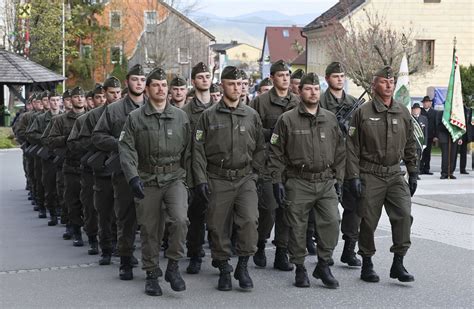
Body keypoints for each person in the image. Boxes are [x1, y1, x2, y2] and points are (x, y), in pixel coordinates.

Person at [119, 67, 192, 297]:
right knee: (150, 229)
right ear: (148, 90)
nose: (161, 89)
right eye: (156, 85)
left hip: (174, 178)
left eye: (164, 85)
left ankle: (172, 266)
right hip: (147, 179)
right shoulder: (135, 118)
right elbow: (126, 148)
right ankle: (151, 274)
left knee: (180, 220)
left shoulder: (181, 117)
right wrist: (132, 177)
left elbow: (190, 151)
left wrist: (191, 180)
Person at [269, 72, 345, 288]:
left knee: (331, 222)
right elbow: (275, 153)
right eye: (308, 89)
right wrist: (277, 181)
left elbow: (340, 151)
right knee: (297, 227)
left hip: (325, 181)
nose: (313, 92)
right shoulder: (287, 119)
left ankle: (323, 264)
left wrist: (339, 178)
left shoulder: (330, 119)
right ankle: (300, 268)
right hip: (298, 181)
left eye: (316, 89)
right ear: (300, 91)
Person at [193, 66, 265, 291]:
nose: (237, 88)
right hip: (218, 177)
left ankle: (242, 266)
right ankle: (224, 267)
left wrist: (256, 174)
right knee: (216, 225)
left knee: (250, 221)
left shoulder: (251, 115)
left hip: (245, 178)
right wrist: (201, 180)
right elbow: (197, 149)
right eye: (232, 83)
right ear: (222, 85)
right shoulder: (208, 115)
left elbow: (261, 148)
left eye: (240, 83)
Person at [346, 66, 417, 283]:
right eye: (384, 82)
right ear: (374, 84)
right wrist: (353, 176)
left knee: (404, 215)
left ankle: (398, 263)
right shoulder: (363, 113)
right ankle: (367, 263)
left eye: (392, 81)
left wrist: (413, 172)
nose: (389, 85)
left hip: (395, 174)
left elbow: (410, 143)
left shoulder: (403, 111)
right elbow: (352, 147)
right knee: (368, 221)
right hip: (370, 173)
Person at [92, 64, 146, 280]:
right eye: (135, 79)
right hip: (124, 172)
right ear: (127, 82)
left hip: (150, 172)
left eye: (142, 80)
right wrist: (120, 144)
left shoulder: (156, 106)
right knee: (126, 218)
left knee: (152, 219)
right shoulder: (113, 110)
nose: (139, 83)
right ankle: (125, 259)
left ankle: (150, 262)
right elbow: (98, 137)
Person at [249, 59, 299, 271]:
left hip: (291, 164)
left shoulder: (297, 101)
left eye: (287, 75)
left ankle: (281, 252)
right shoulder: (260, 102)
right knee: (268, 208)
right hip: (268, 162)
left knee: (286, 210)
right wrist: (276, 134)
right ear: (272, 78)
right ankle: (260, 243)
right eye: (281, 75)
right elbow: (252, 130)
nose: (285, 79)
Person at [319, 61, 361, 266]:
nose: (340, 79)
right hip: (327, 163)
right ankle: (323, 250)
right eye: (336, 76)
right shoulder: (319, 103)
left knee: (354, 208)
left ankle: (349, 249)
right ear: (328, 79)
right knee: (327, 211)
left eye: (342, 76)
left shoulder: (354, 103)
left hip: (350, 163)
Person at [78, 78, 121, 265]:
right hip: (102, 171)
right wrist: (107, 147)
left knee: (124, 213)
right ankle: (105, 248)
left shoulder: (130, 113)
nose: (116, 96)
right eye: (112, 93)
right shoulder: (92, 116)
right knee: (103, 212)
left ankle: (122, 247)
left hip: (122, 170)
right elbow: (82, 142)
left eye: (119, 93)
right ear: (104, 93)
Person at [182, 62, 213, 275]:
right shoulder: (184, 113)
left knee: (220, 216)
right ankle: (195, 254)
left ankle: (221, 255)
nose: (204, 79)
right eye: (200, 76)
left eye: (207, 76)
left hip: (217, 169)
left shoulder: (220, 107)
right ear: (193, 82)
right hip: (194, 171)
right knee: (196, 217)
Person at [46, 86, 87, 246]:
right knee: (72, 201)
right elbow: (50, 140)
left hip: (89, 166)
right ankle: (75, 230)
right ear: (70, 100)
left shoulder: (93, 117)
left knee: (90, 204)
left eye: (81, 96)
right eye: (75, 97)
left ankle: (92, 232)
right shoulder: (60, 120)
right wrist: (68, 138)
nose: (79, 99)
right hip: (70, 166)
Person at [27, 91, 62, 225]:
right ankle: (48, 210)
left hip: (61, 156)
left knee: (62, 186)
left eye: (56, 100)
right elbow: (30, 134)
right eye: (50, 100)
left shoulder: (64, 117)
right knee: (47, 185)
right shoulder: (40, 118)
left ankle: (60, 210)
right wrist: (46, 140)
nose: (53, 103)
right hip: (46, 156)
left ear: (60, 101)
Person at [435, 110, 458, 179]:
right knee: (445, 155)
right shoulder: (441, 113)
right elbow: (438, 125)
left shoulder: (456, 113)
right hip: (444, 136)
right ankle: (444, 172)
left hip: (454, 136)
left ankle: (451, 172)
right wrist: (448, 127)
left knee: (453, 155)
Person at [420, 96, 438, 175]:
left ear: (430, 103)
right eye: (424, 102)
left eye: (427, 102)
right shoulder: (420, 111)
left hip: (430, 136)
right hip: (421, 135)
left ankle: (427, 169)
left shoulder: (434, 112)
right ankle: (420, 169)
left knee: (428, 153)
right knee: (421, 152)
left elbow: (436, 125)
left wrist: (436, 136)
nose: (425, 104)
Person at [411, 102, 428, 178]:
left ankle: (417, 173)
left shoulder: (424, 119)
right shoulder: (410, 118)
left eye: (417, 109)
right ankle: (412, 173)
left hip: (420, 143)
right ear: (412, 110)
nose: (416, 111)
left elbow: (426, 132)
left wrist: (425, 143)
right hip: (412, 143)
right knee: (412, 159)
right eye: (414, 109)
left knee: (418, 159)